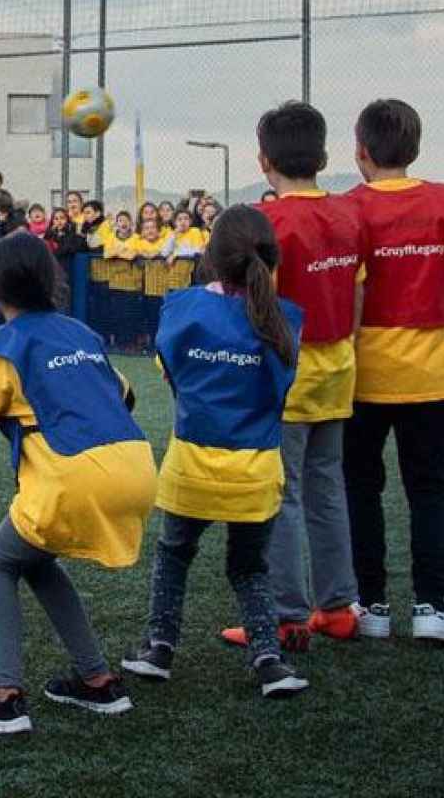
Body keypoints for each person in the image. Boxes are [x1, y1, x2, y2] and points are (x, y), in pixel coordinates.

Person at [0, 231, 156, 734]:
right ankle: (98, 680)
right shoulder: (80, 332)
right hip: (138, 466)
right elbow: (125, 400)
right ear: (52, 281)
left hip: (73, 475)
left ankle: (4, 694)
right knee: (33, 561)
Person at [121, 206, 308, 698]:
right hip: (255, 469)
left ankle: (159, 647)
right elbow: (282, 390)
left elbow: (172, 374)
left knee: (174, 554)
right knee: (249, 567)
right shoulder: (283, 320)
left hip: (192, 466)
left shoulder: (182, 309)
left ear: (211, 256)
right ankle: (269, 659)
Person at [222, 101, 363, 652]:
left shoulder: (270, 223)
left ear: (263, 161)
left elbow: (260, 308)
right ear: (324, 156)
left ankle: (285, 614)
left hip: (288, 375)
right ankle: (337, 606)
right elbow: (355, 295)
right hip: (338, 368)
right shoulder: (349, 215)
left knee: (283, 493)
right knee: (327, 487)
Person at [341, 99, 444, 644]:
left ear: (361, 152)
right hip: (432, 371)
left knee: (360, 488)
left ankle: (369, 603)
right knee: (429, 490)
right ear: (414, 148)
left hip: (364, 371)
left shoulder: (348, 208)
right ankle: (431, 606)